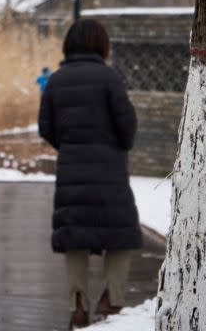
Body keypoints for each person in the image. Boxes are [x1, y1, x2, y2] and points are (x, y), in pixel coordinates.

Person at [37, 19, 141, 328]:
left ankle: (78, 305)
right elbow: (127, 126)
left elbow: (46, 127)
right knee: (121, 236)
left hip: (72, 167)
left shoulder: (56, 81)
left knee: (75, 238)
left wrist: (70, 145)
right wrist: (116, 145)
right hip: (110, 168)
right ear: (101, 45)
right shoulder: (109, 78)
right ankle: (112, 297)